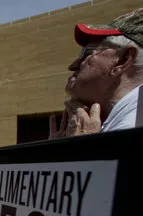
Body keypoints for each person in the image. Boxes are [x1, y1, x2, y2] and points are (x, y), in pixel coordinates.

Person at [50, 8, 143, 138]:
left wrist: (81, 150)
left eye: (86, 54)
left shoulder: (131, 130)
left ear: (122, 60)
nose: (72, 66)